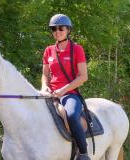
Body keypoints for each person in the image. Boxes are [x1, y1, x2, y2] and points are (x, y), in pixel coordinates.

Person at [39, 14, 90, 160]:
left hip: (69, 94)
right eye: (54, 29)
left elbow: (83, 77)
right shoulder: (48, 50)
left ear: (68, 30)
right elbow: (45, 74)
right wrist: (44, 87)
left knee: (72, 116)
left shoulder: (77, 49)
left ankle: (83, 153)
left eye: (61, 28)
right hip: (50, 94)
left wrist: (63, 90)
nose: (57, 31)